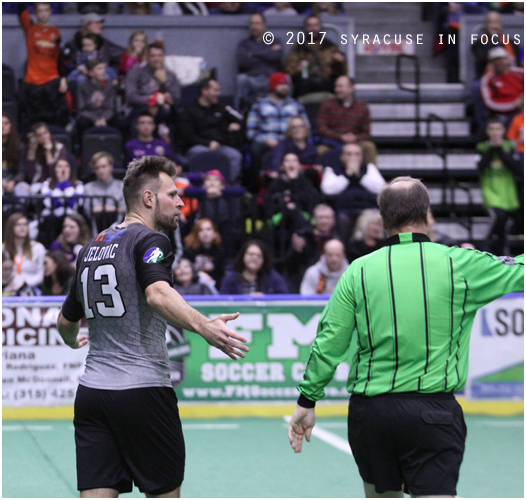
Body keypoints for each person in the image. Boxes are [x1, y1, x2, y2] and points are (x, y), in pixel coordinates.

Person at [288, 176, 524, 498]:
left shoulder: (357, 271)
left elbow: (328, 343)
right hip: (434, 414)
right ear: (427, 216)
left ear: (383, 220)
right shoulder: (461, 265)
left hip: (371, 415)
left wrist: (307, 400)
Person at [56, 155, 249, 498]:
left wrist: (73, 343)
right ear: (148, 199)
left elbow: (66, 321)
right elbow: (158, 294)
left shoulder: (90, 248)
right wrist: (206, 327)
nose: (180, 202)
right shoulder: (151, 241)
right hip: (143, 394)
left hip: (92, 396)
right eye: (173, 195)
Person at [246, 72, 310, 190]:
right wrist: (266, 140)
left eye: (286, 85)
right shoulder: (259, 105)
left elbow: (306, 127)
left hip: (291, 141)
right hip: (267, 143)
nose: (285, 87)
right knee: (255, 149)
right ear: (273, 86)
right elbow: (251, 132)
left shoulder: (296, 105)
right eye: (281, 84)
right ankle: (256, 189)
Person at [181, 78, 243, 183]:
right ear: (204, 91)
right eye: (215, 90)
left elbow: (240, 118)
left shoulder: (222, 107)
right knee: (199, 153)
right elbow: (187, 135)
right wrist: (208, 143)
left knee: (235, 156)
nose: (219, 93)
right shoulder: (190, 110)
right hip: (198, 146)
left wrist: (235, 125)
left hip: (220, 145)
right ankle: (198, 186)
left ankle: (228, 186)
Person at [475, 118, 522, 255]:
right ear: (487, 131)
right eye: (491, 129)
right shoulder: (482, 147)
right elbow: (480, 167)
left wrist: (501, 150)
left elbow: (517, 168)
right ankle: (484, 245)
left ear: (503, 131)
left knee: (505, 224)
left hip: (507, 189)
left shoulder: (509, 146)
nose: (495, 132)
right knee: (498, 217)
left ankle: (500, 252)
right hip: (490, 189)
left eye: (498, 129)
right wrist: (492, 149)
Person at [18, 2, 68, 128]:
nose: (43, 13)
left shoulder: (55, 31)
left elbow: (59, 57)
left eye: (46, 10)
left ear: (50, 12)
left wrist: (63, 78)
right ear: (35, 12)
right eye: (40, 10)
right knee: (33, 120)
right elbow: (21, 9)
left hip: (51, 79)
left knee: (53, 119)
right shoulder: (30, 27)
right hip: (33, 80)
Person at [317, 76, 377, 165]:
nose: (337, 90)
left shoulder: (362, 107)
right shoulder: (327, 104)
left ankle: (372, 177)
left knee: (369, 147)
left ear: (351, 88)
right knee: (321, 149)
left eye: (340, 86)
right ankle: (323, 178)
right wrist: (340, 137)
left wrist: (354, 138)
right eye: (336, 87)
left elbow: (366, 133)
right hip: (332, 142)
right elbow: (321, 128)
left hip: (355, 142)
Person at [284, 15, 347, 99]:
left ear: (320, 27)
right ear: (306, 28)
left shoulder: (330, 47)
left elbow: (342, 73)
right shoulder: (299, 48)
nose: (313, 29)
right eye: (310, 26)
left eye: (316, 25)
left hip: (326, 82)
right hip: (305, 83)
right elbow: (288, 70)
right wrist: (297, 70)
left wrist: (340, 62)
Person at [235, 13, 283, 110]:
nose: (254, 26)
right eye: (252, 24)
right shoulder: (244, 44)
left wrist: (253, 54)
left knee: (286, 79)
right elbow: (243, 61)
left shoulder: (274, 41)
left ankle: (286, 112)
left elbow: (276, 56)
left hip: (269, 78)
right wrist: (267, 53)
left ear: (264, 26)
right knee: (241, 79)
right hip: (251, 78)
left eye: (257, 23)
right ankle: (238, 113)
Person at [320, 143, 386, 214]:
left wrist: (359, 176)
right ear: (342, 157)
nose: (353, 157)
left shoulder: (369, 168)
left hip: (367, 209)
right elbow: (328, 190)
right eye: (349, 154)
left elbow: (381, 189)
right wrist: (348, 175)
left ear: (362, 157)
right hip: (341, 210)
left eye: (357, 154)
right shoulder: (332, 169)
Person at [125, 42, 181, 123]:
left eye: (159, 56)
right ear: (146, 57)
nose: (156, 59)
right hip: (140, 109)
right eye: (153, 56)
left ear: (163, 57)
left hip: (164, 112)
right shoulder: (135, 73)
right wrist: (153, 100)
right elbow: (131, 97)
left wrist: (165, 82)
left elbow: (177, 99)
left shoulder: (170, 75)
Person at [477, 47, 524, 130]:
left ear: (509, 60)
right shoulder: (488, 79)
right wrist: (513, 104)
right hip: (504, 112)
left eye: (502, 59)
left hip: (523, 107)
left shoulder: (521, 73)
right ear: (491, 63)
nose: (500, 62)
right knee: (502, 121)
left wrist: (522, 101)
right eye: (496, 60)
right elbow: (489, 102)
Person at [220, 240, 289, 295]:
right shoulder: (231, 279)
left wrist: (266, 298)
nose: (254, 258)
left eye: (258, 256)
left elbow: (284, 297)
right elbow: (223, 302)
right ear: (243, 255)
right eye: (251, 254)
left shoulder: (273, 278)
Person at [267, 116, 321, 184]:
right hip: (287, 179)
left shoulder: (311, 147)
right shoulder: (283, 144)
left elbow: (317, 164)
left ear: (306, 129)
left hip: (307, 180)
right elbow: (276, 161)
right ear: (290, 130)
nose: (297, 130)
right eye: (294, 127)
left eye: (300, 126)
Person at [76, 59, 120, 137]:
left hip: (105, 116)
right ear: (90, 72)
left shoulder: (109, 86)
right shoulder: (82, 86)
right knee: (81, 123)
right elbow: (81, 109)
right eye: (99, 69)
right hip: (89, 116)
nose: (103, 71)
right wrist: (95, 119)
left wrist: (104, 118)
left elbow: (111, 107)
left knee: (120, 122)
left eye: (103, 68)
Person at [3, 212, 46, 292]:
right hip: (7, 287)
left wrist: (25, 283)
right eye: (18, 225)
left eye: (25, 224)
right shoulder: (3, 248)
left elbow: (41, 275)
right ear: (10, 228)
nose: (22, 227)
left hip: (31, 288)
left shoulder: (38, 248)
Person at [83, 152, 126, 232]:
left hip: (119, 228)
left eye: (103, 167)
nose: (100, 171)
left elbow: (125, 209)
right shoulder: (88, 187)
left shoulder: (121, 186)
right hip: (96, 227)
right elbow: (87, 211)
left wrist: (114, 209)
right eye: (97, 168)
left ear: (111, 166)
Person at [23, 122, 68, 192]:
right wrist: (32, 152)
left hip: (55, 183)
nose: (44, 137)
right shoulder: (32, 150)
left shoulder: (59, 148)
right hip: (38, 184)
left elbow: (53, 174)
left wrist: (48, 152)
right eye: (39, 135)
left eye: (45, 133)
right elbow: (30, 175)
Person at [183, 218, 225, 289]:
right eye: (201, 230)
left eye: (208, 229)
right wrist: (198, 275)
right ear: (196, 234)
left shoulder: (219, 251)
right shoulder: (189, 251)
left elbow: (220, 274)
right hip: (193, 285)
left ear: (214, 233)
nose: (205, 233)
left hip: (214, 286)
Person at [2, 114, 27, 197]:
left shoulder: (19, 147)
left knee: (23, 189)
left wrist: (14, 181)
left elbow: (22, 170)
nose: (2, 126)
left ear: (11, 126)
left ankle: (20, 210)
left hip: (14, 181)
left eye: (6, 123)